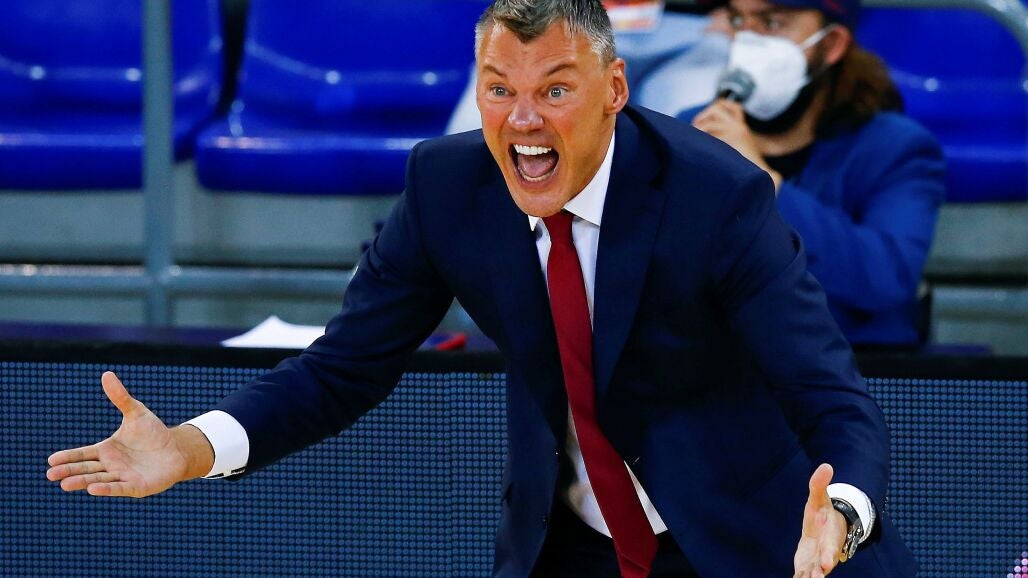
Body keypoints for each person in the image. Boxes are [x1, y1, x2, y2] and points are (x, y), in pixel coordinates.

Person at [46, 1, 916, 576]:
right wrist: (191, 448)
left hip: (762, 545)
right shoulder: (447, 188)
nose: (523, 120)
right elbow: (342, 369)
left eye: (555, 89)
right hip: (570, 546)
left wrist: (842, 513)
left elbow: (833, 398)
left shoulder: (715, 195)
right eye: (499, 90)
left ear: (614, 90)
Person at [688, 0, 946, 348]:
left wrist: (764, 184)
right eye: (737, 19)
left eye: (772, 22)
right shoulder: (692, 131)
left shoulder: (895, 148)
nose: (747, 40)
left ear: (832, 43)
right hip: (717, 369)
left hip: (852, 367)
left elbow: (886, 278)